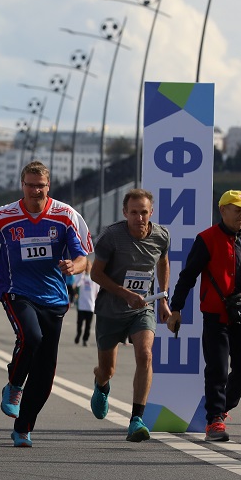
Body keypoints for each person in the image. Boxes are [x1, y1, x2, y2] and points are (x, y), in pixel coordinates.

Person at [0, 161, 91, 448]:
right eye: (30, 184)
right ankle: (14, 385)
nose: (35, 190)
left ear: (49, 187)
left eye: (41, 185)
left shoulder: (65, 216)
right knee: (30, 336)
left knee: (46, 372)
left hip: (55, 298)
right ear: (22, 185)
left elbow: (83, 257)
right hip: (16, 291)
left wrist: (75, 265)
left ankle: (23, 427)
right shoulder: (4, 215)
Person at [167, 190, 241, 442]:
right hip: (217, 316)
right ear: (223, 210)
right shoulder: (207, 239)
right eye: (237, 209)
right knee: (217, 369)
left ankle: (219, 409)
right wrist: (176, 308)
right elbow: (187, 276)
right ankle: (214, 420)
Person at [86, 189, 172, 442]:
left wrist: (163, 297)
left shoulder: (161, 236)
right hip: (110, 310)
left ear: (151, 213)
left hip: (142, 308)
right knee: (107, 369)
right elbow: (95, 274)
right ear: (125, 213)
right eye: (134, 212)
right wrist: (125, 294)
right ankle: (101, 385)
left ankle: (136, 419)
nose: (139, 217)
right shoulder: (111, 237)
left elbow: (163, 263)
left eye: (144, 212)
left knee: (145, 355)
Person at [74, 274, 97, 345]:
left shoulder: (93, 278)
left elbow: (97, 290)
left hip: (90, 306)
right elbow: (77, 284)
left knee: (88, 325)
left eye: (88, 265)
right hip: (81, 305)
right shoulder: (81, 277)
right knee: (79, 323)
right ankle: (78, 334)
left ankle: (85, 339)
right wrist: (82, 275)